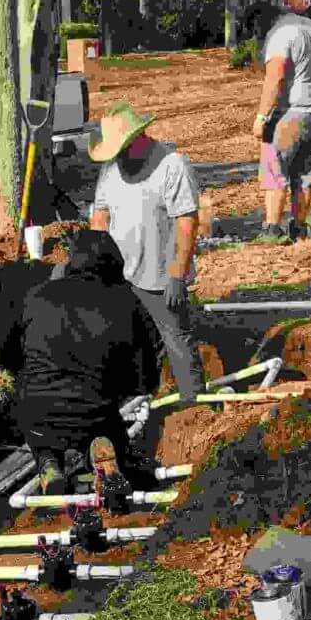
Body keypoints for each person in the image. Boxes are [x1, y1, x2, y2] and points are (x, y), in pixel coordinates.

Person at [0, 228, 161, 494]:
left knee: (41, 433)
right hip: (94, 411)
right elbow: (145, 380)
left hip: (37, 412)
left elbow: (7, 357)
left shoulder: (36, 295)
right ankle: (99, 451)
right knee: (106, 432)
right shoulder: (126, 301)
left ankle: (48, 463)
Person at [88, 101, 205, 407]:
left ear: (138, 138)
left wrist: (177, 274)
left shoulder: (172, 165)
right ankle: (128, 399)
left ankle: (195, 408)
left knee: (177, 338)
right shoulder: (110, 169)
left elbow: (186, 221)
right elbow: (100, 217)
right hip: (120, 275)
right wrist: (97, 265)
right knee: (122, 339)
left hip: (159, 276)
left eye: (123, 150)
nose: (119, 158)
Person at [248, 1, 311, 243]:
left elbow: (275, 78)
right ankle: (299, 228)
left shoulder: (279, 34)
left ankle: (272, 230)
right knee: (306, 172)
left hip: (290, 112)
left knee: (275, 169)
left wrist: (261, 117)